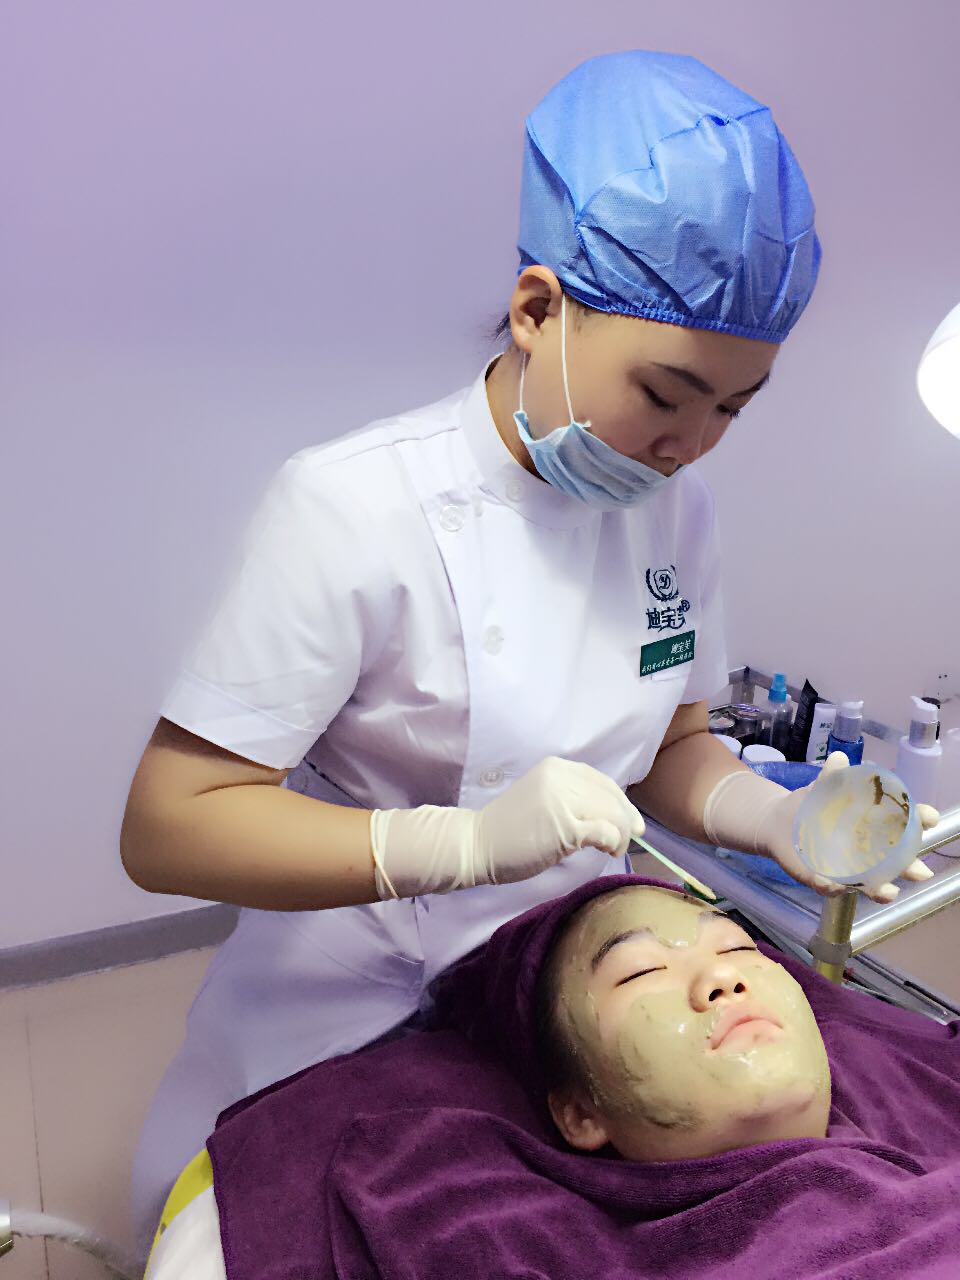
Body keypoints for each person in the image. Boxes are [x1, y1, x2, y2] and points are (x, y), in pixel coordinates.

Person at [120, 49, 936, 1260]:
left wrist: (773, 818)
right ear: (538, 309)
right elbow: (170, 825)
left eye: (732, 406)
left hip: (566, 986)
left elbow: (673, 745)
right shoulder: (352, 506)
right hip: (353, 988)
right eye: (666, 392)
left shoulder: (676, 513)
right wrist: (454, 844)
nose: (692, 444)